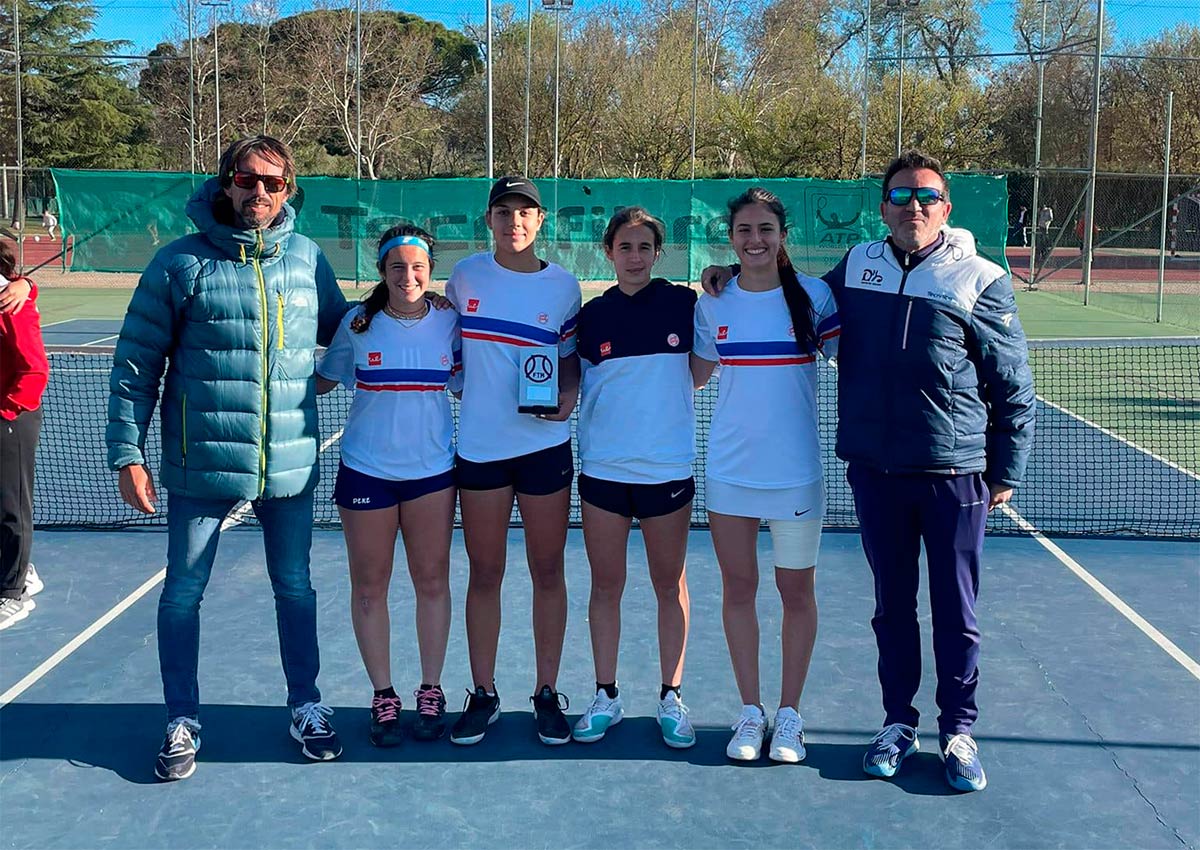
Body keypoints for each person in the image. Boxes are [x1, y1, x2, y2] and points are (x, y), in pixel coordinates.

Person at [703, 150, 1035, 792]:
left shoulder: (981, 278)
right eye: (902, 196)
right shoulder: (857, 266)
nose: (915, 206)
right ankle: (897, 723)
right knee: (892, 608)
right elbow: (787, 290)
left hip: (954, 471)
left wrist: (1004, 467)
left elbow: (1011, 382)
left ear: (946, 207)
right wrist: (729, 270)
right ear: (884, 206)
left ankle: (959, 730)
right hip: (875, 470)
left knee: (955, 609)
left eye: (928, 197)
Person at [107, 135, 351, 782]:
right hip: (200, 465)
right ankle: (181, 719)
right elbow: (136, 366)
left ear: (289, 189)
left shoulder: (306, 259)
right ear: (226, 183)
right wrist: (127, 453)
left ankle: (306, 705)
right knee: (183, 595)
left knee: (295, 588)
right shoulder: (179, 264)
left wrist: (411, 304)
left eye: (274, 183)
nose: (260, 193)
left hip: (289, 466)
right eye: (248, 180)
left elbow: (342, 326)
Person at [692, 188, 839, 764]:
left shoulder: (817, 297)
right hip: (730, 476)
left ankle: (790, 716)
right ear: (731, 238)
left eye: (766, 230)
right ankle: (750, 712)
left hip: (797, 477)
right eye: (744, 230)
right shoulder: (712, 303)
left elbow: (858, 362)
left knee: (795, 594)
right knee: (739, 591)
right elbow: (694, 377)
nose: (755, 240)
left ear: (782, 236)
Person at [444, 175, 581, 747]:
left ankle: (546, 693)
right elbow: (445, 352)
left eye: (525, 212)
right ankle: (483, 693)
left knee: (548, 573)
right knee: (485, 574)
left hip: (545, 451)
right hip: (480, 453)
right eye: (504, 211)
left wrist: (567, 396)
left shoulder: (565, 288)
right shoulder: (463, 277)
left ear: (541, 220)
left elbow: (569, 362)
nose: (514, 221)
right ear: (490, 220)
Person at [316, 225, 461, 746]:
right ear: (383, 272)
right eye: (397, 267)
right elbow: (320, 380)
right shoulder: (357, 324)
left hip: (432, 476)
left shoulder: (450, 321)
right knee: (370, 587)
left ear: (431, 270)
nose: (408, 276)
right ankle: (382, 695)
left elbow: (475, 382)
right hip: (365, 474)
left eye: (418, 266)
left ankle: (430, 690)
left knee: (432, 582)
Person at [570, 207, 698, 749]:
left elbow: (707, 356)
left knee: (669, 585)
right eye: (625, 246)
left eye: (645, 246)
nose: (635, 256)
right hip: (603, 472)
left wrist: (722, 275)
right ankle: (607, 696)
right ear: (609, 252)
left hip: (666, 472)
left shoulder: (685, 303)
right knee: (606, 586)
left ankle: (671, 696)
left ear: (657, 252)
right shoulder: (591, 316)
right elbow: (570, 382)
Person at [0, 241, 48, 631]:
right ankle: (21, 569)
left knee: (12, 506)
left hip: (12, 416)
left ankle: (13, 593)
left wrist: (5, 412)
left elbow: (34, 370)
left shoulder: (11, 303)